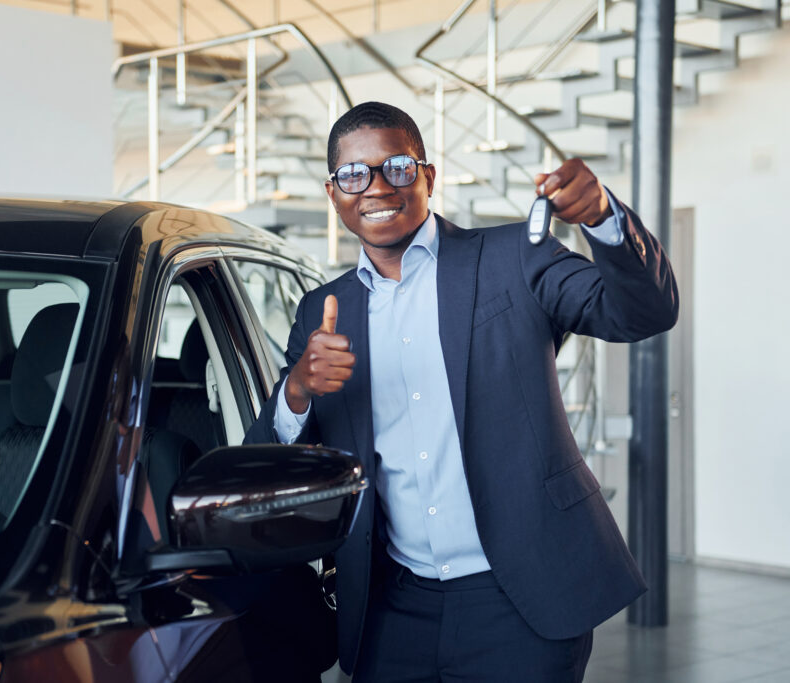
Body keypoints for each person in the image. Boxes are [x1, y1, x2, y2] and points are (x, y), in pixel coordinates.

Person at [244, 101, 678, 682]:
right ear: (333, 192)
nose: (375, 186)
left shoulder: (512, 257)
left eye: (396, 166)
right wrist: (297, 389)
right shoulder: (325, 311)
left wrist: (602, 218)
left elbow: (643, 312)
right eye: (354, 174)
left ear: (427, 176)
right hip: (391, 606)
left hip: (521, 601)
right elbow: (265, 461)